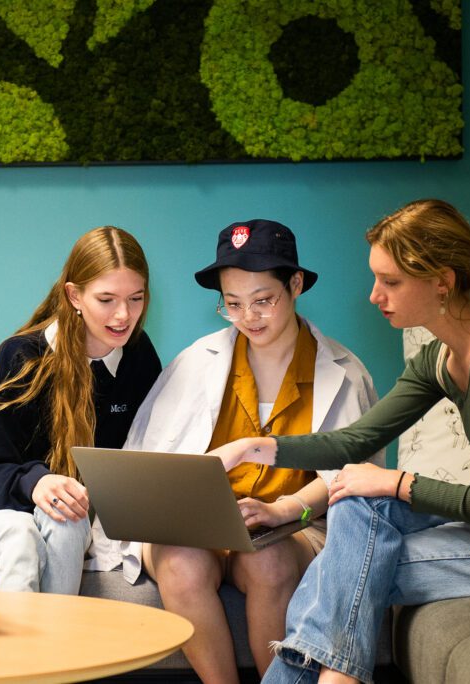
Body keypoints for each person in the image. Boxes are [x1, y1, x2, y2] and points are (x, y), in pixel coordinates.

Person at [213, 200, 470, 684]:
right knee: (353, 502)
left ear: (442, 281)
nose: (374, 296)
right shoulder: (440, 355)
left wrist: (396, 481)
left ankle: (337, 680)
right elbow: (357, 440)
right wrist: (252, 446)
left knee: (350, 567)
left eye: (390, 282)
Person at [112, 219, 380, 682]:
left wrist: (284, 511)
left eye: (263, 301)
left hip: (296, 526)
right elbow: (150, 455)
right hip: (200, 526)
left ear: (295, 285)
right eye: (232, 305)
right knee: (180, 561)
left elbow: (352, 477)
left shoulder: (343, 371)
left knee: (268, 558)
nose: (249, 318)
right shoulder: (196, 361)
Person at [0, 226, 161, 594]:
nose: (122, 315)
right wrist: (35, 481)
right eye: (106, 299)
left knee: (68, 517)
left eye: (136, 298)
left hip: (56, 515)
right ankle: (27, 653)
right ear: (74, 296)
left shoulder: (139, 358)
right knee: (19, 533)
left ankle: (56, 650)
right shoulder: (21, 356)